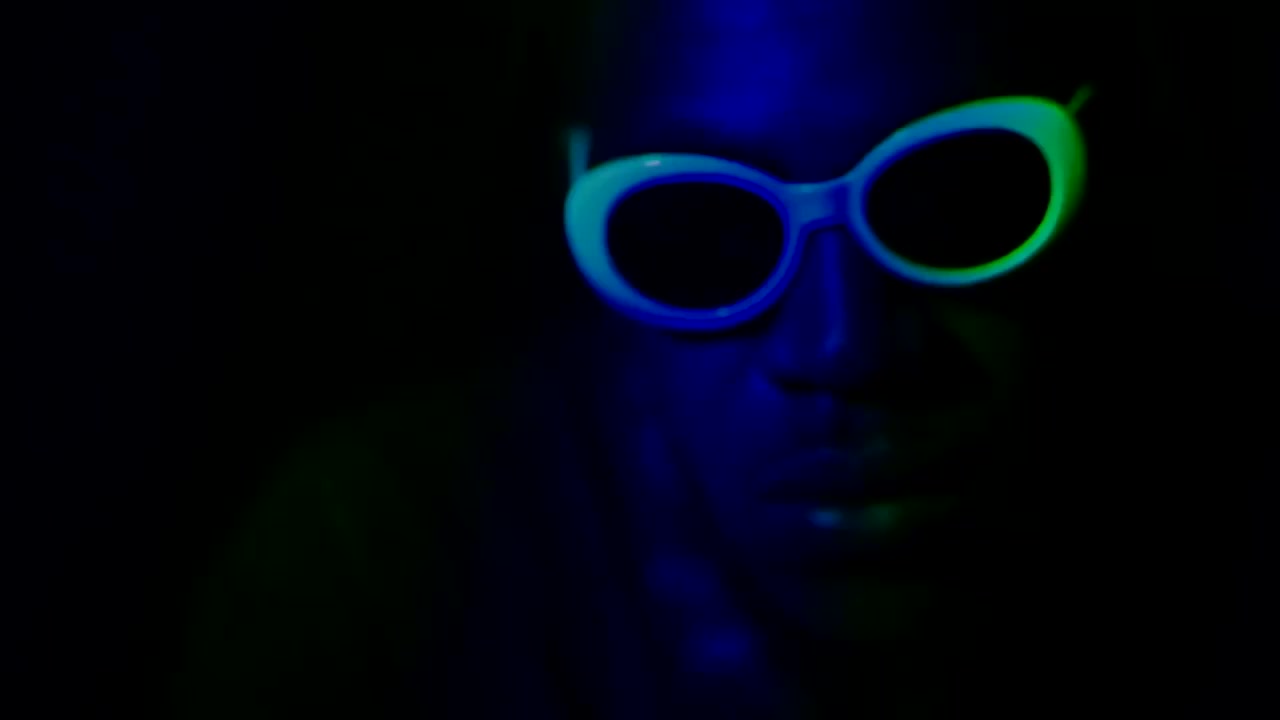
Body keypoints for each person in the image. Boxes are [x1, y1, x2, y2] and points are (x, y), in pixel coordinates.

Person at [172, 1, 1248, 718]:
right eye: (702, 230)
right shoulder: (370, 563)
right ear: (565, 209)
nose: (847, 346)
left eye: (955, 197)